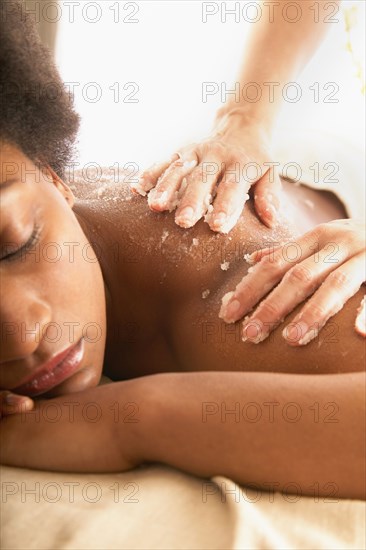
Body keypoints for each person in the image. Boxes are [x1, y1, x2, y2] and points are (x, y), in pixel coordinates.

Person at [0, 1, 365, 500]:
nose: (21, 336)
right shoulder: (26, 188)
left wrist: (134, 419)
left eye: (17, 246)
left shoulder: (241, 301)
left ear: (55, 178)